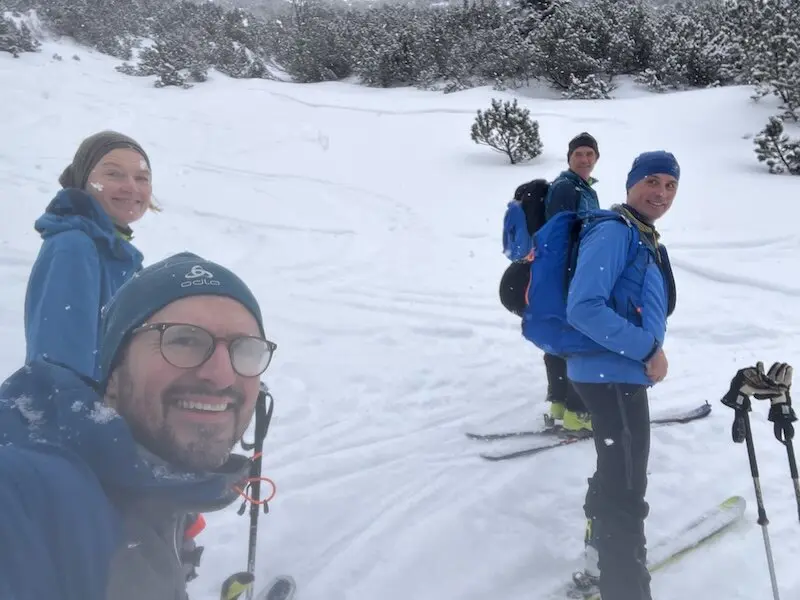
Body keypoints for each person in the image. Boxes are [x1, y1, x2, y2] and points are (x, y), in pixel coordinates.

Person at [0, 252, 278, 600]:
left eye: (245, 348)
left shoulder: (158, 465)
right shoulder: (27, 493)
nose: (222, 376)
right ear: (113, 372)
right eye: (183, 340)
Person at [564, 150, 680, 600]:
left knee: (616, 475)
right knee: (626, 492)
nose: (661, 193)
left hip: (612, 372)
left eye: (670, 186)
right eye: (652, 181)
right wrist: (649, 349)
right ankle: (626, 588)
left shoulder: (639, 235)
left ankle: (600, 562)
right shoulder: (615, 232)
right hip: (610, 374)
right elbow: (583, 307)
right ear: (631, 184)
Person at [24, 130, 157, 382]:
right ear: (84, 180)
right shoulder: (74, 246)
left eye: (142, 177)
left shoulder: (113, 251)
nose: (131, 186)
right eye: (113, 173)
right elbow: (58, 367)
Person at [542, 132, 601, 432]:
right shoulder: (567, 187)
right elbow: (561, 234)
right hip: (571, 274)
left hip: (567, 273)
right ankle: (577, 415)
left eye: (590, 154)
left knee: (562, 340)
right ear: (569, 158)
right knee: (580, 340)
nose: (585, 159)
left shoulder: (582, 187)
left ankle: (559, 405)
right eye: (579, 154)